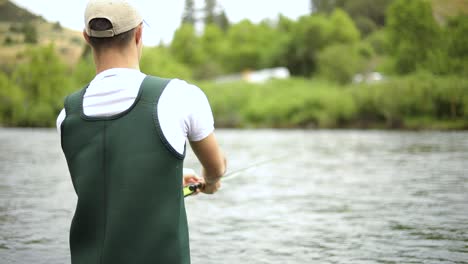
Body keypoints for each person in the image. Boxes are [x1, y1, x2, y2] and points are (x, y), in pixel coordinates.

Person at [56, 0, 226, 263]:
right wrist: (211, 182)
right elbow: (215, 168)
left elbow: (107, 177)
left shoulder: (67, 115)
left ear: (87, 38)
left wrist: (169, 176)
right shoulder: (181, 96)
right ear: (138, 33)